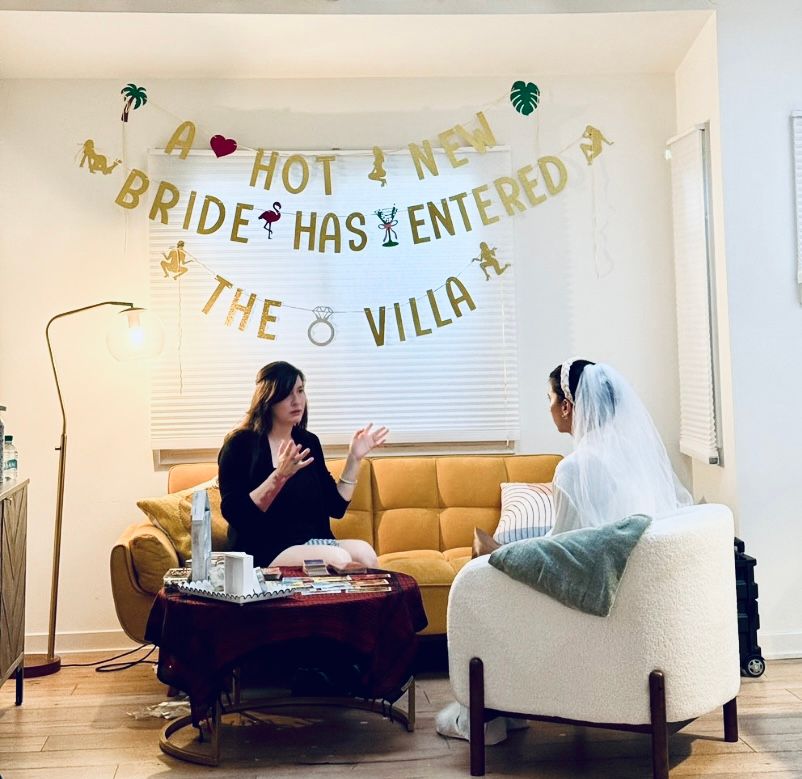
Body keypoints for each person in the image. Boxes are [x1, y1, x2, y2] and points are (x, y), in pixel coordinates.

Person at [436, 357, 692, 745]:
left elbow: (563, 551)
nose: (549, 408)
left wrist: (503, 553)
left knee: (483, 578)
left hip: (587, 601)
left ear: (568, 406)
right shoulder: (634, 463)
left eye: (550, 399)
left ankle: (484, 719)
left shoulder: (575, 468)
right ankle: (508, 704)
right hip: (628, 593)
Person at [218, 361, 388, 568]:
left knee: (364, 553)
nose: (297, 401)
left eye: (300, 391)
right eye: (287, 394)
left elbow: (335, 507)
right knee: (339, 559)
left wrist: (354, 458)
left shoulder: (308, 441)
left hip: (311, 542)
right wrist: (279, 476)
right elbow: (237, 514)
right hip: (263, 548)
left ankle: (370, 602)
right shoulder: (240, 445)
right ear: (268, 398)